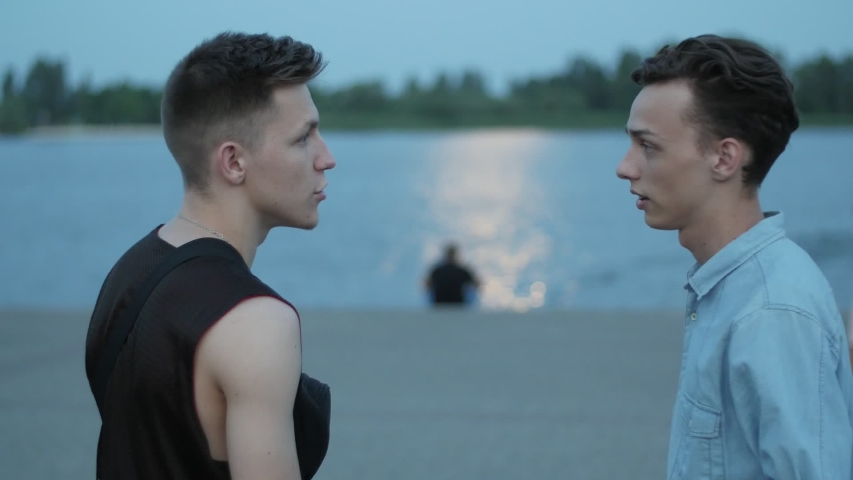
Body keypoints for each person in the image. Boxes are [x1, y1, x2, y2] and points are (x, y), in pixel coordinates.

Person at [84, 32, 336, 480]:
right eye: (303, 139)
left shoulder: (129, 271)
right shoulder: (257, 322)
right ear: (234, 162)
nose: (326, 158)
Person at [616, 34, 853, 479]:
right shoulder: (729, 287)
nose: (625, 167)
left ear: (724, 158)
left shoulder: (770, 311)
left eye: (647, 146)